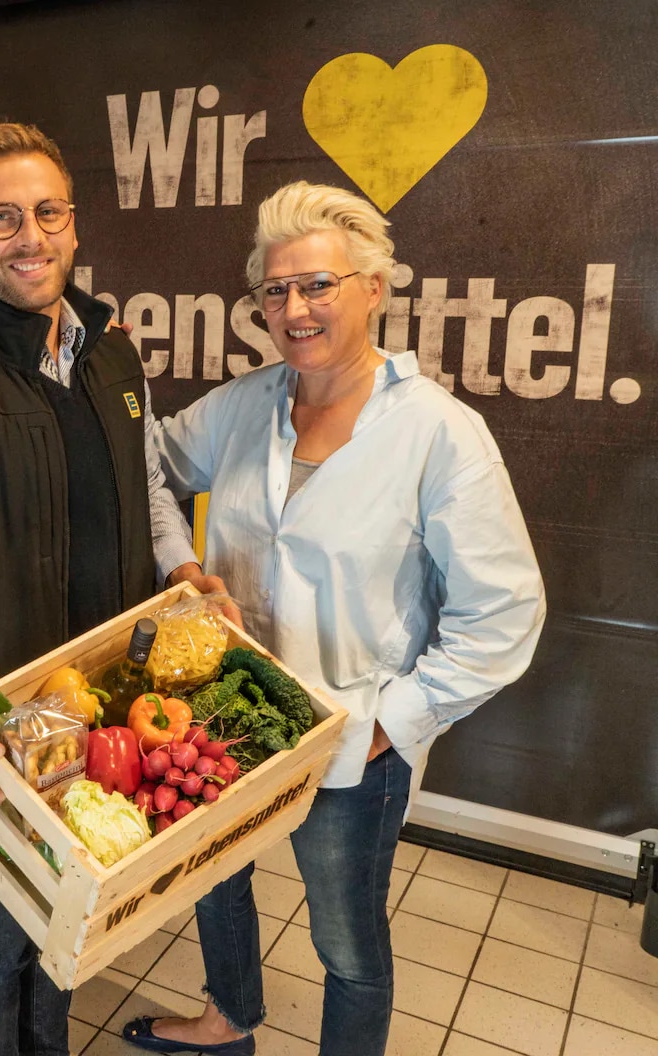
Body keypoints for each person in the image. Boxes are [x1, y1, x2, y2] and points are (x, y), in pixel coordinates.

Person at [124, 181, 546, 1056]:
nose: (294, 308)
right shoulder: (244, 407)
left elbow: (503, 613)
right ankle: (227, 1019)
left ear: (373, 288)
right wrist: (187, 567)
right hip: (226, 716)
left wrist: (394, 723)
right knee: (213, 874)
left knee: (346, 945)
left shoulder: (439, 435)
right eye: (275, 291)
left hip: (352, 742)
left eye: (318, 284)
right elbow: (147, 468)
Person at [0, 119, 224, 1056]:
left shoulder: (116, 354)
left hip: (109, 699)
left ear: (73, 222)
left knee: (70, 922)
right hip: (5, 722)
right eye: (0, 218)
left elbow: (147, 491)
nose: (29, 235)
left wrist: (182, 572)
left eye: (47, 212)